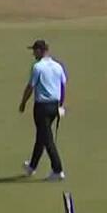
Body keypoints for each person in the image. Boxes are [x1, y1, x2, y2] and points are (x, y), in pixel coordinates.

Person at [18, 39, 67, 180]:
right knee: (41, 136)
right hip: (54, 106)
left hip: (42, 107)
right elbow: (62, 86)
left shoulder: (38, 67)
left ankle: (57, 170)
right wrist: (60, 105)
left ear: (40, 51)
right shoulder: (58, 66)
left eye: (34, 50)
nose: (33, 53)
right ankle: (32, 166)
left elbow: (30, 87)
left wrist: (23, 102)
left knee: (47, 139)